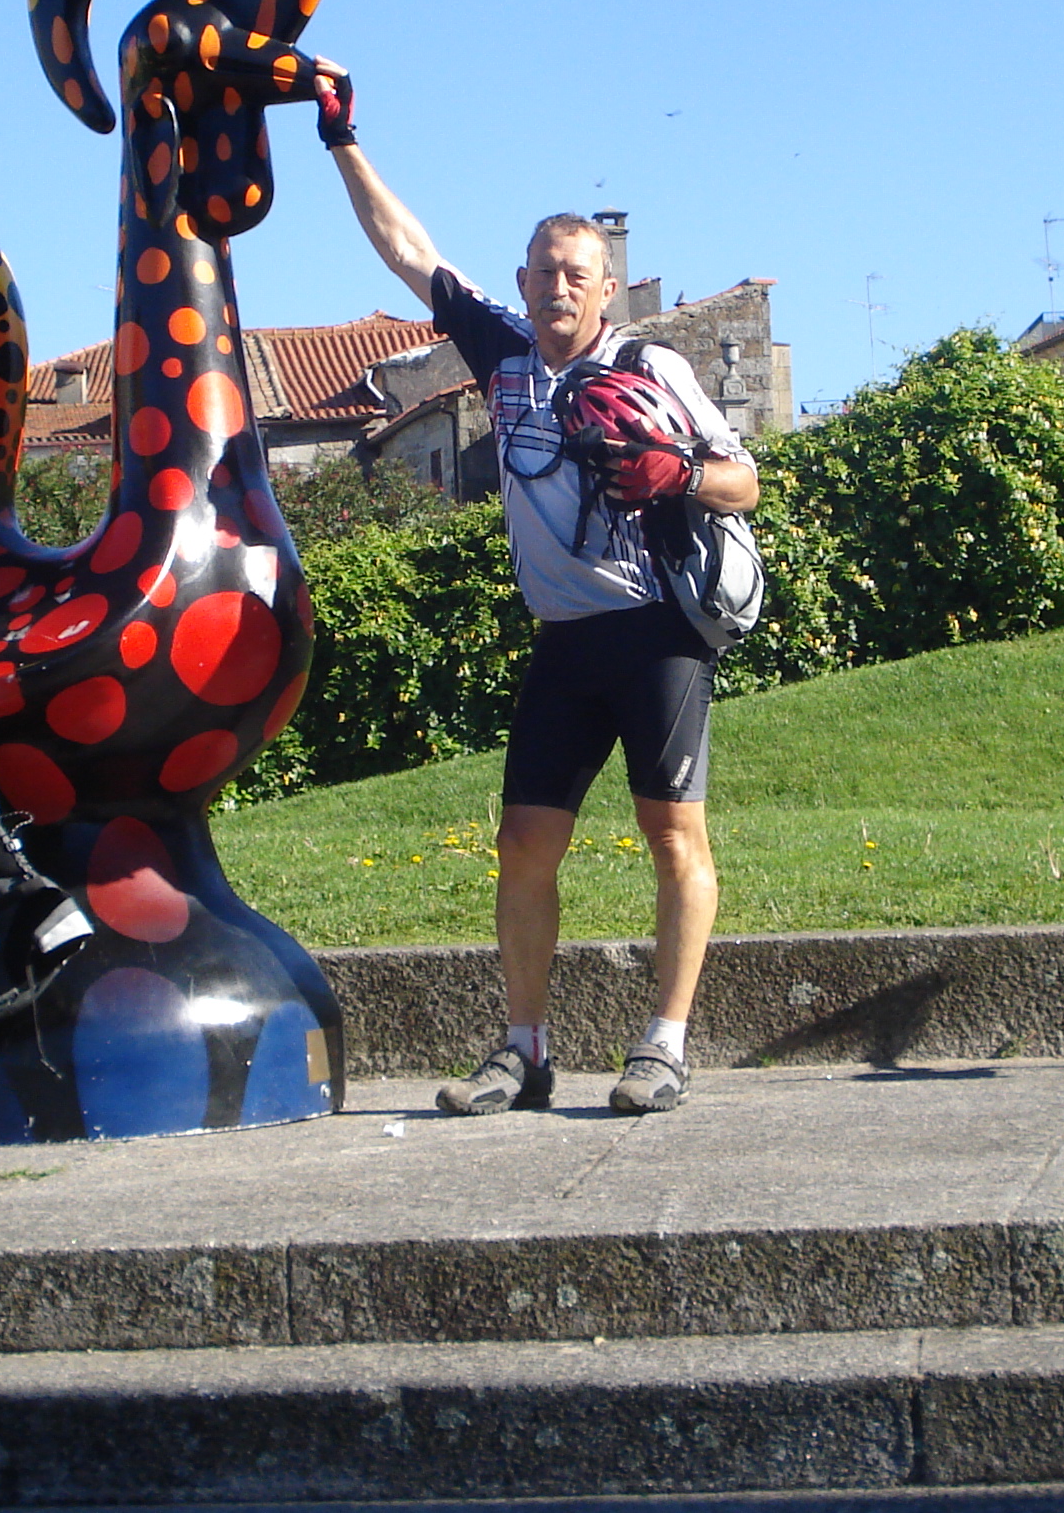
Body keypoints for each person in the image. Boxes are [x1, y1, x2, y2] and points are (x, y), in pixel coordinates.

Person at [316, 71, 757, 1116]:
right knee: (524, 842)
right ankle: (524, 1049)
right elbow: (409, 249)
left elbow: (745, 479)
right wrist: (344, 141)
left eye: (580, 273)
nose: (560, 288)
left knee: (673, 835)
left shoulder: (653, 364)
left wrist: (681, 474)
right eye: (545, 272)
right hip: (563, 638)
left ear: (607, 288)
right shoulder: (505, 357)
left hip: (655, 632)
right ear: (521, 282)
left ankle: (665, 1043)